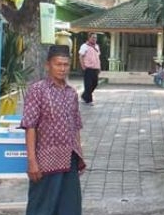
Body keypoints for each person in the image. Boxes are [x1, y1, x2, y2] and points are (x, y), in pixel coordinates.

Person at [20, 45, 86, 215]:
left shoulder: (72, 93)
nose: (62, 69)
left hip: (69, 160)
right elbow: (30, 126)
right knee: (41, 208)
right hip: (45, 162)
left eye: (66, 64)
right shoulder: (37, 90)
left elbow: (76, 126)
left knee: (69, 207)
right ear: (47, 65)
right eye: (58, 64)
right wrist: (32, 161)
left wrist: (80, 155)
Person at [79, 32, 101, 106]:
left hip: (95, 68)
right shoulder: (84, 46)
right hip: (88, 68)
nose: (95, 39)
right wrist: (83, 66)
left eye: (96, 37)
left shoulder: (97, 46)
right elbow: (81, 56)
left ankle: (84, 96)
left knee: (95, 84)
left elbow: (97, 58)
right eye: (93, 37)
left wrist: (99, 67)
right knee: (88, 85)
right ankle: (89, 100)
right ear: (89, 38)